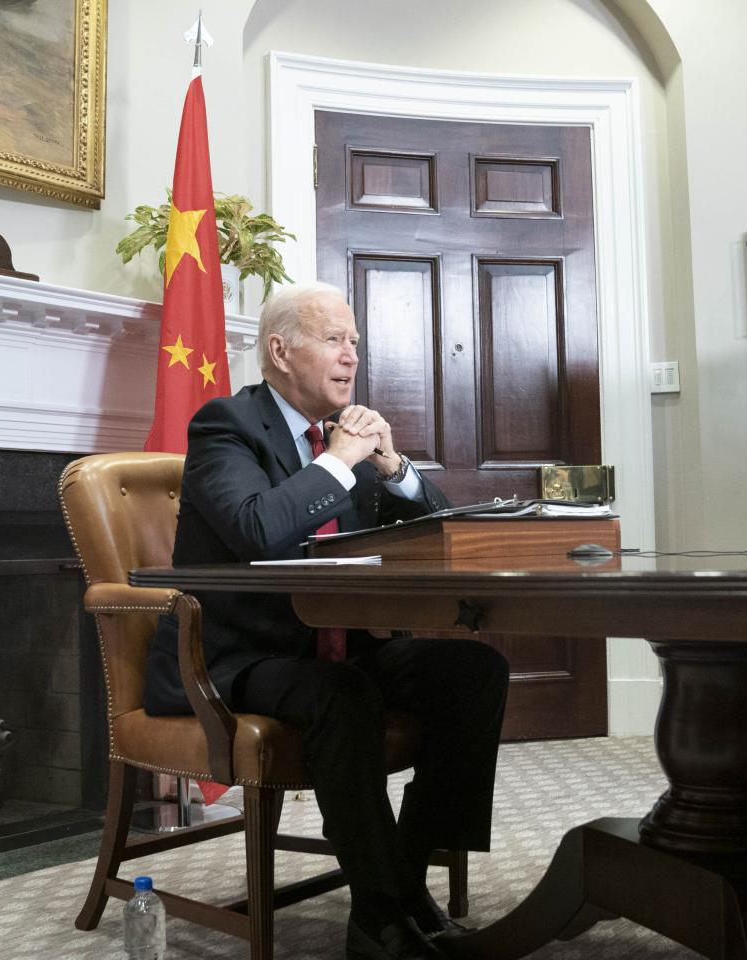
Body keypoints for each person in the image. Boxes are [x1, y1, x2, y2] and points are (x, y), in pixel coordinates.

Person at [145, 281, 510, 960]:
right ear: (281, 351)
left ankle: (406, 873)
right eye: (335, 340)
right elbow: (259, 530)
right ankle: (379, 913)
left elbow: (440, 530)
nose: (351, 358)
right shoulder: (226, 426)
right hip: (243, 656)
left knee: (475, 671)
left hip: (342, 645)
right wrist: (338, 462)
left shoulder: (350, 442)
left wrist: (395, 469)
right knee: (344, 696)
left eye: (355, 344)